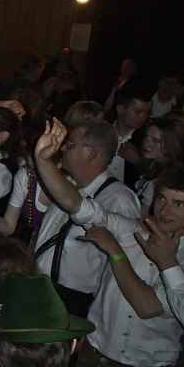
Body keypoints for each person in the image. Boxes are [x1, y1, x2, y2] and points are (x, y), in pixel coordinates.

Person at [34, 120, 184, 367]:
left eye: (179, 204)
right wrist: (44, 162)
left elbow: (147, 306)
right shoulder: (134, 228)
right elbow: (79, 206)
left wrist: (116, 253)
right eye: (162, 199)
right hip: (96, 358)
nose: (165, 211)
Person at [30, 119, 140, 317]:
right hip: (39, 287)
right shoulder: (67, 185)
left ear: (92, 154)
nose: (63, 148)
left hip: (72, 301)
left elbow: (125, 261)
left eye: (71, 144)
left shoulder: (119, 198)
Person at [133, 116, 184, 213]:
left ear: (170, 145)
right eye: (146, 137)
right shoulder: (152, 164)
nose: (146, 143)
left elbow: (143, 217)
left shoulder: (168, 179)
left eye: (155, 140)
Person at [110, 82, 153, 182]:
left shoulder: (148, 138)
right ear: (120, 109)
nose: (143, 117)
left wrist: (137, 162)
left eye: (147, 113)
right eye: (138, 112)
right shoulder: (101, 130)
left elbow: (154, 177)